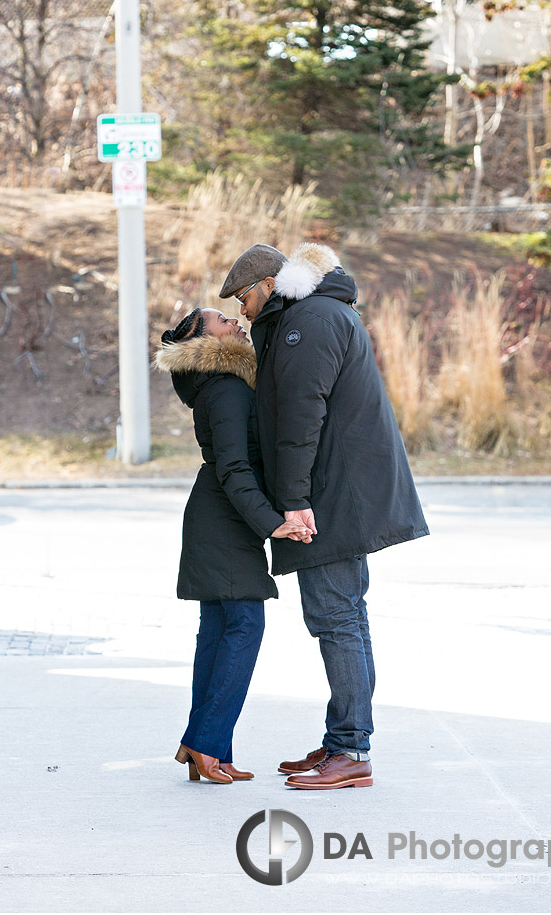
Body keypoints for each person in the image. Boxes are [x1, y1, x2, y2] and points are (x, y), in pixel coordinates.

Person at [219, 242, 429, 791]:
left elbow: (300, 417)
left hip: (328, 497)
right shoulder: (320, 314)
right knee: (345, 619)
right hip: (339, 491)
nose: (242, 310)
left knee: (337, 620)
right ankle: (344, 740)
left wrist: (292, 501)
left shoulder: (306, 323)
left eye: (244, 298)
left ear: (270, 285)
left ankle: (351, 750)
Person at [154, 305, 310, 785]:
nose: (235, 322)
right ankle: (205, 742)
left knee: (219, 631)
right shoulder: (224, 388)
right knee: (244, 626)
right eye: (223, 321)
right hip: (223, 522)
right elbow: (233, 468)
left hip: (223, 519)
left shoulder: (225, 384)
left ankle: (206, 745)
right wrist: (272, 524)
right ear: (207, 341)